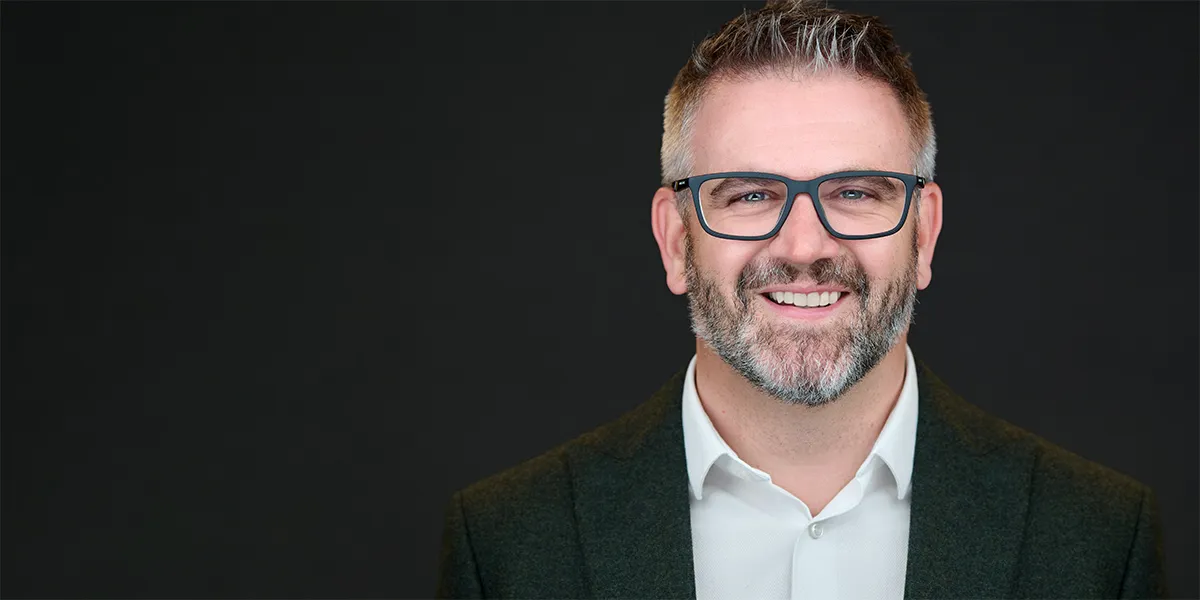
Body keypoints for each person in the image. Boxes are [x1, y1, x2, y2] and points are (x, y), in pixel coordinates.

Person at [435, 1, 1168, 598]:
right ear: (673, 240)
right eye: (752, 194)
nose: (804, 246)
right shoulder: (509, 545)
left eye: (854, 192)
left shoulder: (1097, 539)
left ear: (927, 233)